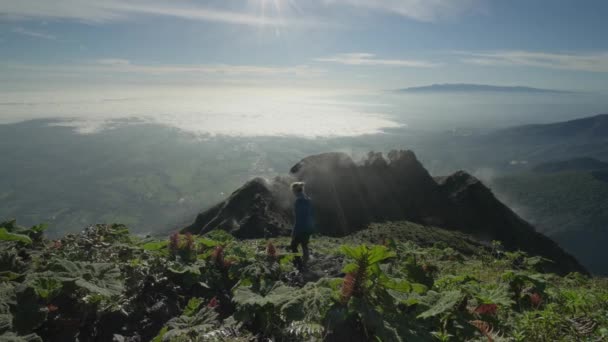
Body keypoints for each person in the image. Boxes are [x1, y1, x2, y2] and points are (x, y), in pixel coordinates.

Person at [290, 181, 314, 270]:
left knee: (293, 246)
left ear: (295, 191)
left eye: (293, 191)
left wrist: (294, 232)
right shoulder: (308, 200)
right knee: (304, 245)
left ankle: (299, 265)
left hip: (301, 227)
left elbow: (298, 219)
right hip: (309, 226)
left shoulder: (298, 201)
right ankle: (306, 263)